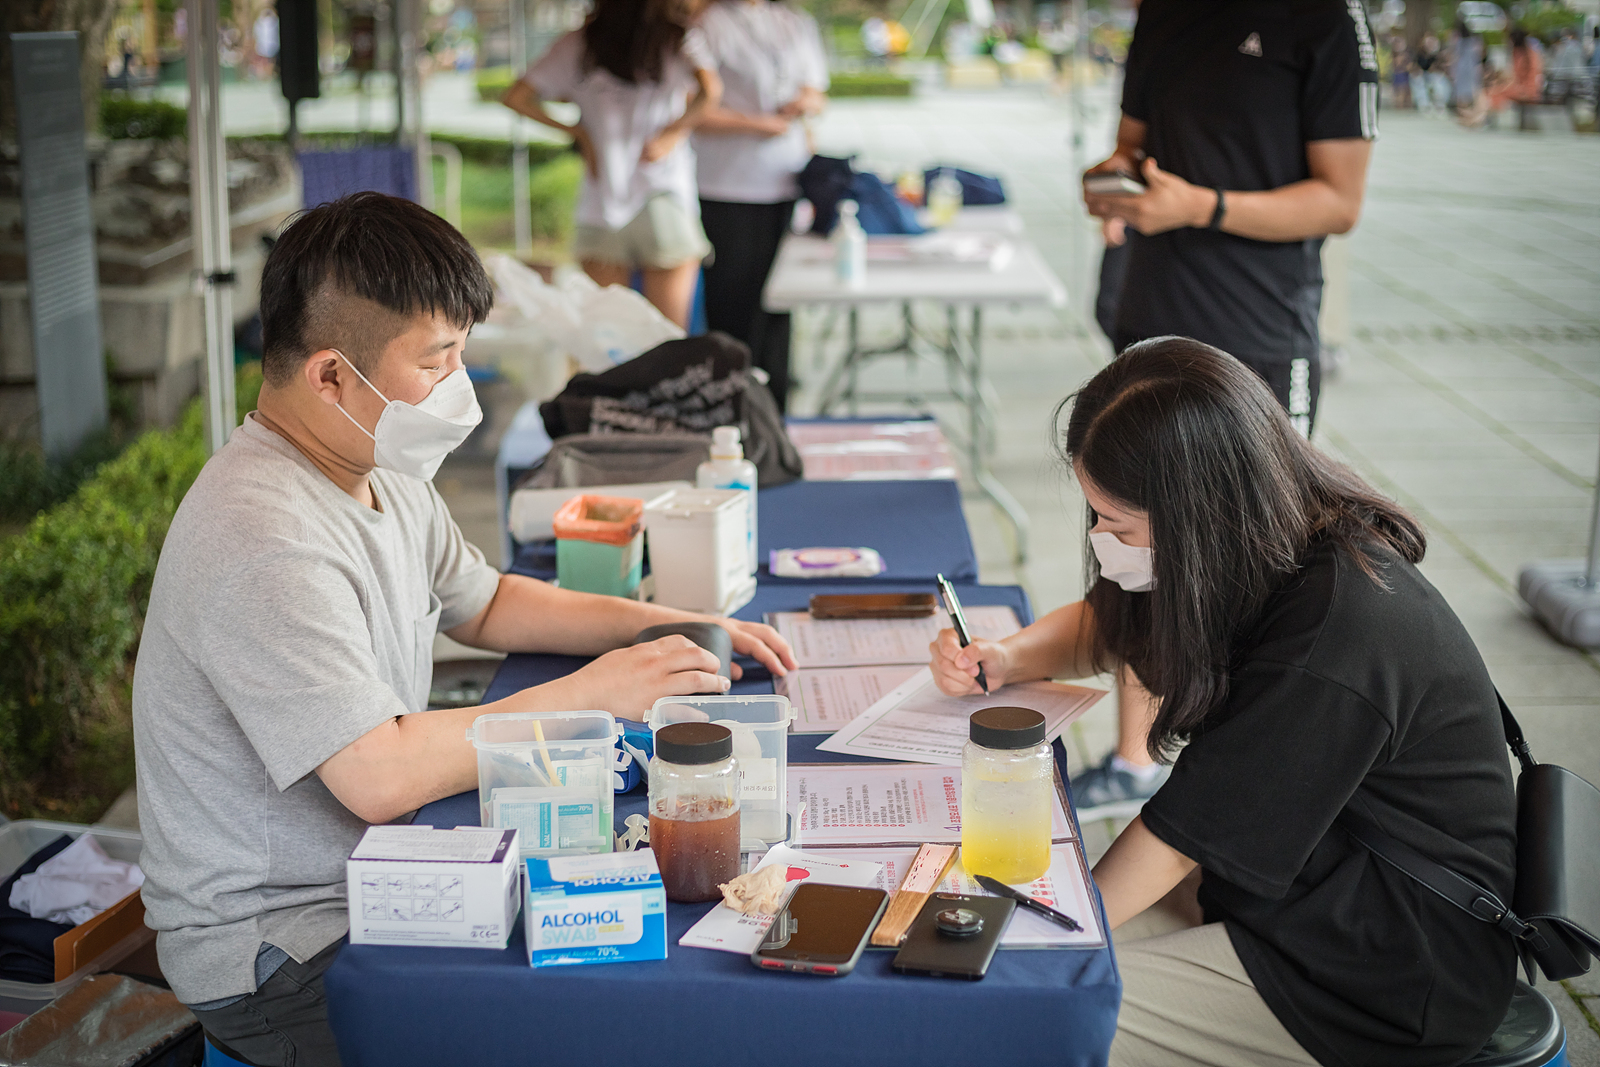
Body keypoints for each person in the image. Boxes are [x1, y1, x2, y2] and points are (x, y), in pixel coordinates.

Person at [132, 192, 796, 1067]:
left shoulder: (368, 457)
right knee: (599, 1018)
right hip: (286, 948)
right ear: (331, 375)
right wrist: (595, 694)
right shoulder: (260, 532)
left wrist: (674, 624)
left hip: (383, 870)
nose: (458, 384)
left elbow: (485, 601)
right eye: (437, 361)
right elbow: (377, 770)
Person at [930, 338, 1518, 1066]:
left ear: (1199, 517)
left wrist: (1043, 938)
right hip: (1308, 892)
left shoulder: (1336, 630)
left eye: (1119, 528)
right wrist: (1006, 657)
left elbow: (1180, 839)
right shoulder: (1269, 535)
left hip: (1384, 973)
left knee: (1019, 1016)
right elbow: (1115, 622)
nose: (1101, 544)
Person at [1078, 0, 1378, 815]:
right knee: (1130, 544)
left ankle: (1243, 775)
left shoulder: (1323, 19)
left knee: (1256, 566)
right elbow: (1132, 146)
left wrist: (1201, 205)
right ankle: (1136, 759)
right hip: (1151, 317)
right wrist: (1111, 182)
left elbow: (1339, 200)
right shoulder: (1164, 11)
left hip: (1258, 335)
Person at [501, 0, 722, 329]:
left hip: (603, 195)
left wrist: (579, 133)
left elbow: (516, 96)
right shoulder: (678, 38)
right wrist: (672, 133)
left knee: (611, 337)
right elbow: (711, 91)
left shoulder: (579, 42)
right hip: (663, 191)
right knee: (668, 337)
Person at [693, 0, 830, 414]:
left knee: (778, 306)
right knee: (733, 304)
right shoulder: (708, 25)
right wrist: (756, 124)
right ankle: (732, 411)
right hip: (726, 185)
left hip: (784, 182)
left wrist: (803, 104)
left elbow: (817, 93)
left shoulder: (793, 23)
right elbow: (691, 109)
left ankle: (775, 413)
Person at [1486, 27, 1546, 121]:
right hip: (1524, 88)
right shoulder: (1524, 52)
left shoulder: (1525, 54)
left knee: (1494, 92)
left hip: (1527, 90)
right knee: (1494, 91)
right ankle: (1486, 118)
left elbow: (1529, 77)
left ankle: (1486, 118)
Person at [1451, 18, 1485, 126]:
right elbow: (1479, 55)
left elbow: (1456, 55)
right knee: (1471, 92)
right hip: (1472, 68)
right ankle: (1469, 115)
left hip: (1462, 68)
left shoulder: (1459, 41)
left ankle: (1464, 116)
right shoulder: (1474, 41)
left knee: (1461, 93)